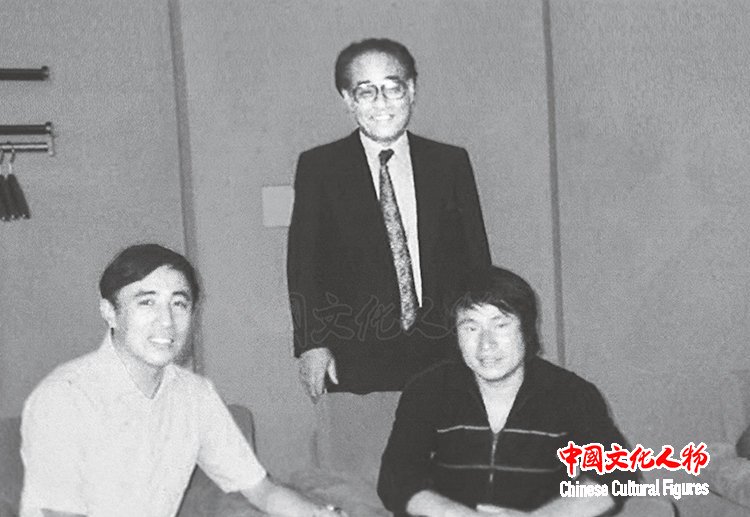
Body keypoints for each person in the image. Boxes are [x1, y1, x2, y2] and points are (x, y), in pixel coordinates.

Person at [20, 244, 345, 517]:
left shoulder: (194, 396)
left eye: (178, 304)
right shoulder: (64, 397)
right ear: (110, 312)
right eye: (147, 302)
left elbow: (262, 491)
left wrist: (321, 514)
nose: (166, 321)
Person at [287, 37, 491, 398]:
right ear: (348, 99)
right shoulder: (320, 168)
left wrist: (481, 333)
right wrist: (311, 343)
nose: (381, 103)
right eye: (366, 91)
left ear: (411, 90)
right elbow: (303, 265)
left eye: (392, 88)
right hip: (355, 352)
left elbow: (477, 259)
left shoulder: (449, 164)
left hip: (443, 348)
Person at [378, 266, 637, 516]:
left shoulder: (570, 393)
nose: (486, 344)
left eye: (500, 325)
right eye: (471, 328)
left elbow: (617, 475)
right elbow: (396, 478)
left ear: (526, 329)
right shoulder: (429, 389)